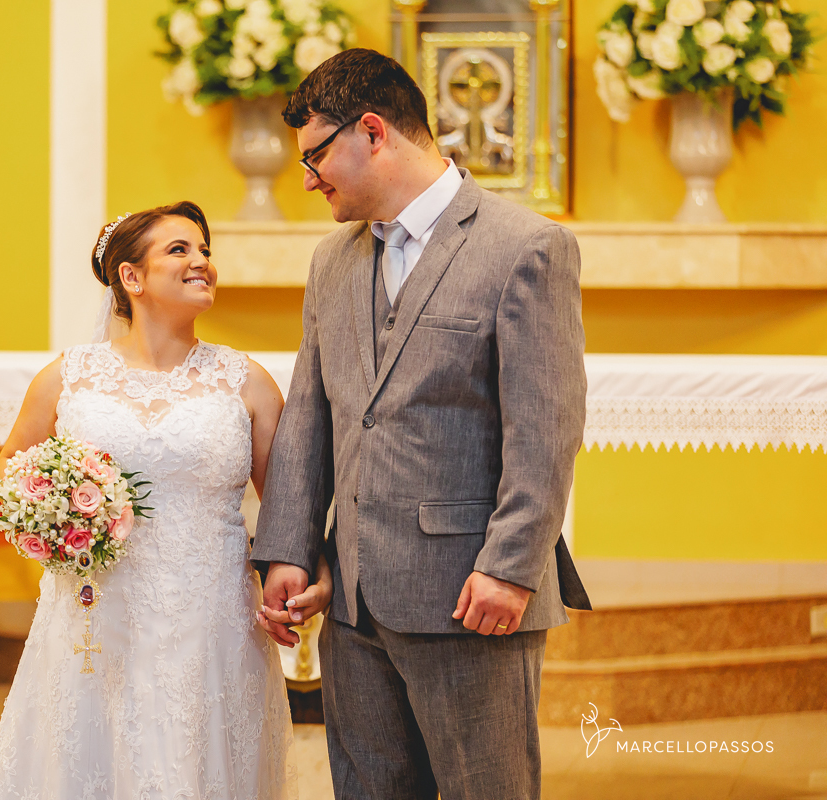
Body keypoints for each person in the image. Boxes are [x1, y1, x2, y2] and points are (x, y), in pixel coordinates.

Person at [251, 49, 593, 800]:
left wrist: (510, 566)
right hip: (354, 601)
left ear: (373, 132)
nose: (308, 179)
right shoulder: (332, 261)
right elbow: (310, 413)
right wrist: (288, 549)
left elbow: (545, 429)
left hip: (471, 595)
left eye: (315, 156)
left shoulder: (525, 246)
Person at [0, 200, 330, 799]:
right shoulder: (68, 378)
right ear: (131, 277)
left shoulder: (246, 382)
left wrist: (306, 575)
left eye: (205, 251)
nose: (202, 262)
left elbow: (288, 505)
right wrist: (59, 520)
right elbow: (9, 477)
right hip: (95, 616)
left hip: (211, 620)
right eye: (179, 250)